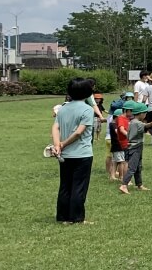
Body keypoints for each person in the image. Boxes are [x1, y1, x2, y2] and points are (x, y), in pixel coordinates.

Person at [52, 77, 97, 224]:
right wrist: (63, 144)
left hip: (64, 155)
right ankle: (76, 218)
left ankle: (62, 217)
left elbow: (55, 127)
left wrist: (57, 144)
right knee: (79, 186)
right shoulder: (87, 109)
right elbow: (79, 132)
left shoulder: (63, 108)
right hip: (82, 154)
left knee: (65, 185)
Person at [119, 103, 151, 194]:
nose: (145, 115)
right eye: (145, 113)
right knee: (133, 167)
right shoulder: (137, 123)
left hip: (136, 146)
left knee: (138, 166)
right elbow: (146, 126)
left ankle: (139, 184)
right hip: (135, 147)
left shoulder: (132, 122)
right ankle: (124, 185)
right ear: (141, 113)